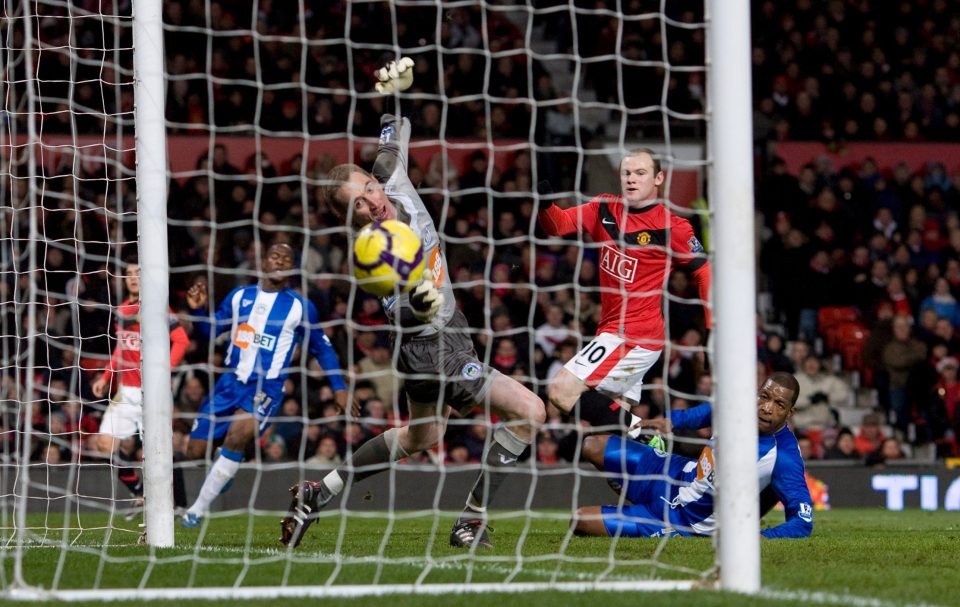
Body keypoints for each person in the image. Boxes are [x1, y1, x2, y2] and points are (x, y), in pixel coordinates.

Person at [279, 57, 545, 550]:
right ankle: (471, 520)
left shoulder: (389, 171)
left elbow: (390, 131)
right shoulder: (371, 250)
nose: (372, 201)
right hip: (433, 346)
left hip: (445, 332)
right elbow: (396, 311)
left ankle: (318, 493)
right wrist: (419, 303)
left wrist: (393, 92)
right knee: (530, 411)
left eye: (369, 189)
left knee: (420, 439)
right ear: (351, 218)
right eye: (358, 203)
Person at [537, 149, 711, 432]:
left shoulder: (673, 227)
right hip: (612, 332)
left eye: (640, 173)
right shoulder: (603, 208)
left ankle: (645, 434)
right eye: (626, 173)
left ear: (658, 178)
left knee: (560, 391)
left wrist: (709, 328)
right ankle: (648, 455)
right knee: (606, 441)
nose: (631, 179)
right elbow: (558, 225)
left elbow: (704, 272)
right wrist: (545, 203)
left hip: (637, 336)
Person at [180, 242, 348, 527]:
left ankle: (195, 510)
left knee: (238, 433)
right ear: (263, 262)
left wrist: (339, 387)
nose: (280, 261)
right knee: (194, 453)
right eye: (275, 256)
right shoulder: (239, 297)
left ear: (292, 268)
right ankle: (227, 467)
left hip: (266, 388)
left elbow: (323, 348)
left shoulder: (300, 307)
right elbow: (212, 330)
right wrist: (198, 311)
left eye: (287, 258)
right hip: (229, 382)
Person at [572, 372, 813, 539]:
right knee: (592, 445)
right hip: (674, 472)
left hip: (681, 519)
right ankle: (637, 495)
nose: (767, 408)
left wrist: (758, 538)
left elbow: (802, 523)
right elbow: (706, 413)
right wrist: (670, 421)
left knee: (580, 519)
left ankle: (639, 509)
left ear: (789, 412)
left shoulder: (784, 457)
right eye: (764, 397)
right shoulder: (737, 408)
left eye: (779, 404)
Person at [91, 260, 190, 513]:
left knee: (160, 451)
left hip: (153, 393)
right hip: (127, 391)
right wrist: (105, 376)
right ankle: (139, 492)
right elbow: (121, 348)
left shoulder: (158, 309)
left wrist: (163, 371)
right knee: (104, 444)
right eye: (129, 274)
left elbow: (181, 340)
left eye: (138, 273)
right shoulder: (122, 310)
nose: (133, 277)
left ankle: (179, 504)